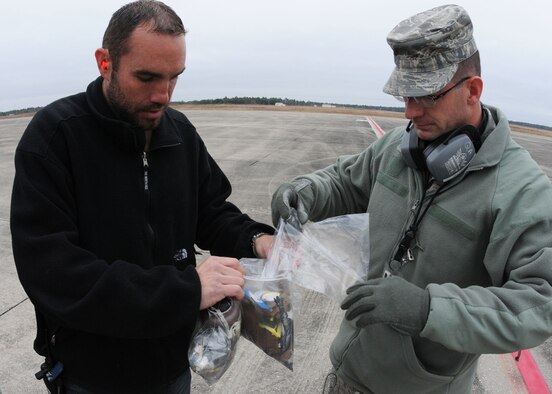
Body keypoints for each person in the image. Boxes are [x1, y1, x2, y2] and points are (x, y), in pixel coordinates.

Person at [271, 4, 552, 394]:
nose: (410, 111)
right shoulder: (398, 148)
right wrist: (306, 191)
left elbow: (538, 304)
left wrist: (427, 310)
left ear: (472, 90)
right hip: (348, 374)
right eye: (405, 95)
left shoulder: (522, 191)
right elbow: (345, 182)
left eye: (426, 96)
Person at [10, 1, 274, 393]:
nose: (163, 95)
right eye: (147, 77)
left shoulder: (179, 133)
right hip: (93, 375)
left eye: (174, 78)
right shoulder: (56, 137)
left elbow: (211, 211)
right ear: (105, 62)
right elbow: (54, 272)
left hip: (173, 366)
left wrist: (258, 240)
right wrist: (187, 291)